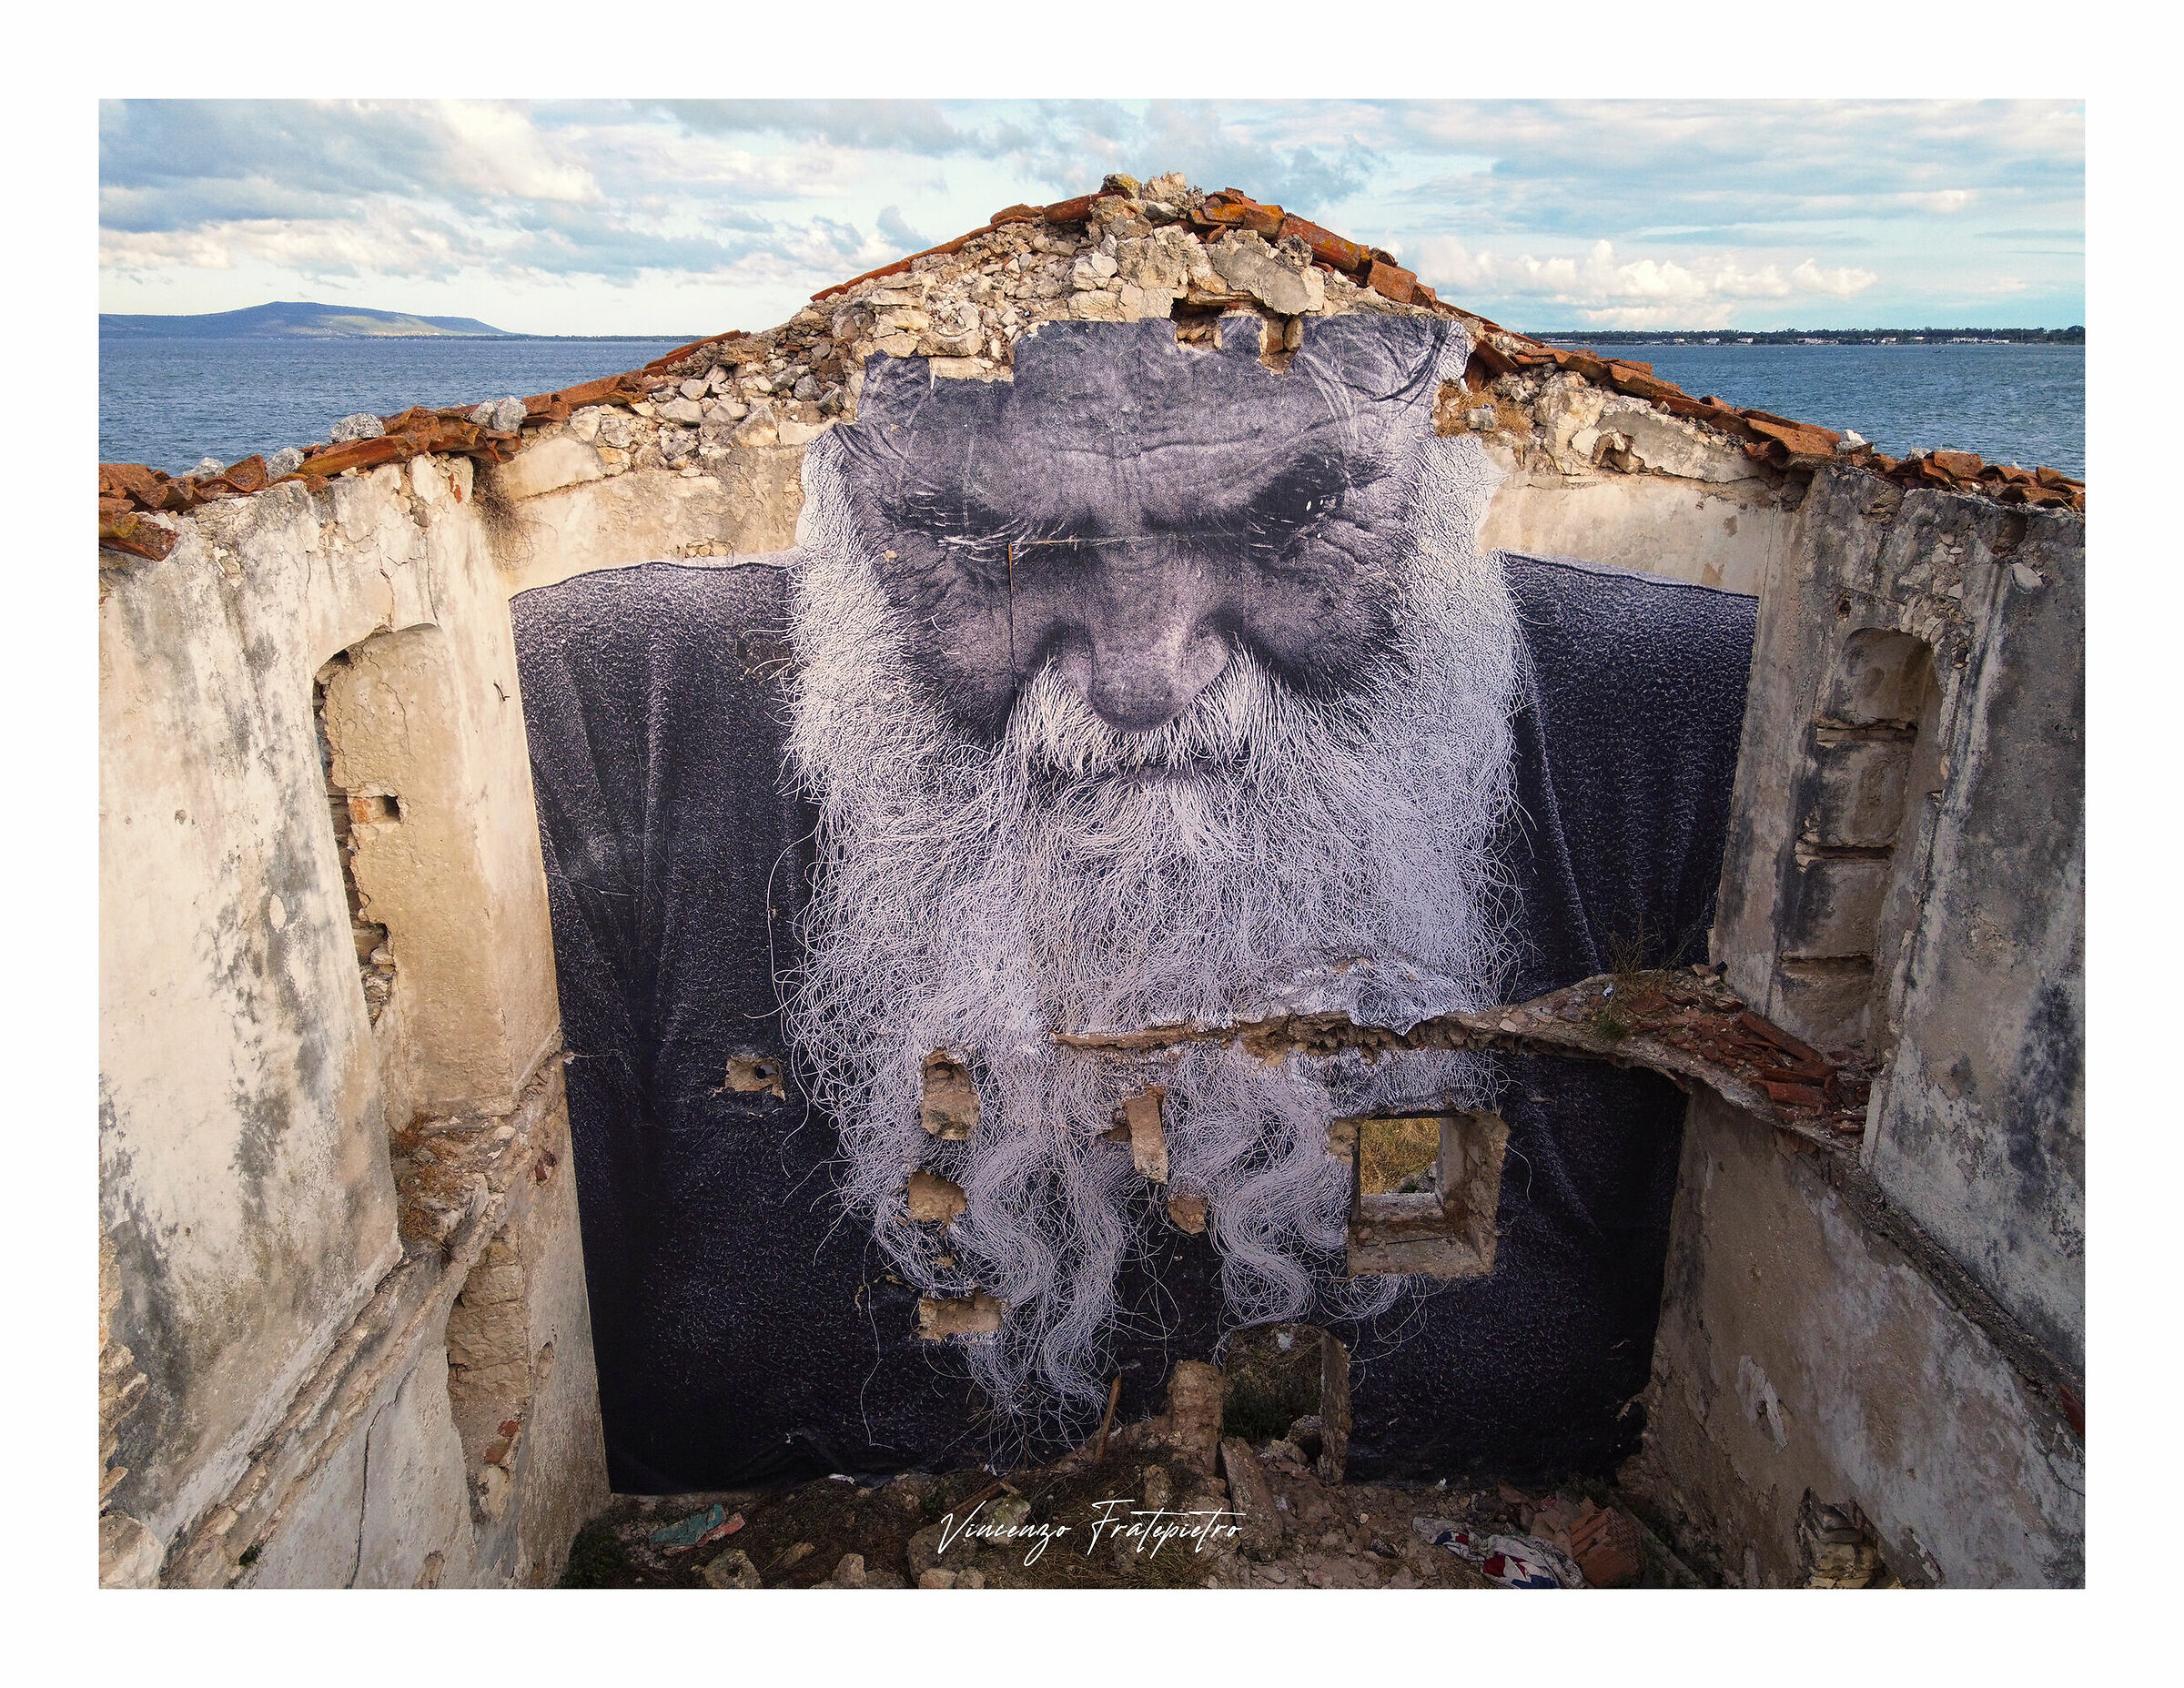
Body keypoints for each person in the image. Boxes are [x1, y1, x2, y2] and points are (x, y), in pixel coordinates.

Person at [513, 315, 1756, 1490]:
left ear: (1419, 482)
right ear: (856, 506)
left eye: (1290, 514)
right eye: (1000, 537)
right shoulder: (592, 715)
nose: (1143, 677)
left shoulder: (1700, 725)